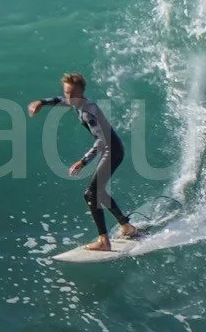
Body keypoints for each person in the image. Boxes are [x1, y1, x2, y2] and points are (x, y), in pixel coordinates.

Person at [29, 72, 141, 250]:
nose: (69, 97)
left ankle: (104, 241)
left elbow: (102, 140)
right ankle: (127, 227)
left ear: (81, 92)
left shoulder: (89, 112)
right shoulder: (77, 102)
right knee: (99, 192)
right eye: (67, 93)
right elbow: (60, 100)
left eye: (73, 94)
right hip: (111, 148)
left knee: (91, 194)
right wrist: (41, 102)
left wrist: (83, 161)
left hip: (111, 150)